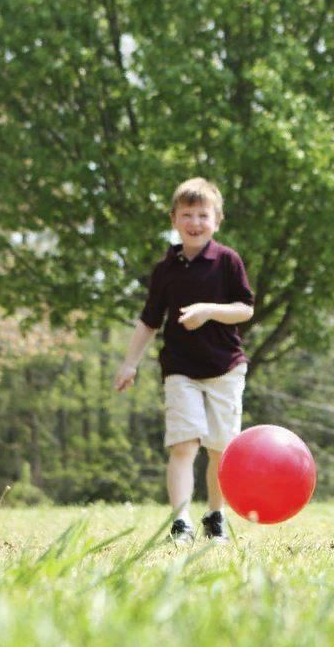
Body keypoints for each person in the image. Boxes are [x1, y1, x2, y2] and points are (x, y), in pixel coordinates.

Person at [114, 177, 255, 544]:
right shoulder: (165, 270)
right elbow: (149, 320)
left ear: (217, 220)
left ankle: (215, 515)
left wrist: (208, 311)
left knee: (221, 448)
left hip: (225, 367)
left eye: (203, 215)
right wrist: (130, 363)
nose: (195, 222)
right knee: (183, 444)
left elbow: (245, 309)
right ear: (174, 219)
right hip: (180, 369)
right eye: (187, 215)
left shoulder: (227, 261)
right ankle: (180, 522)